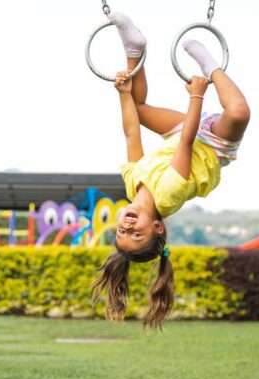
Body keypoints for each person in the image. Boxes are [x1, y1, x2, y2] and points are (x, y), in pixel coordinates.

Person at [92, 13, 250, 330]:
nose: (127, 225)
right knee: (239, 112)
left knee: (136, 107)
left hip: (180, 133)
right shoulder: (168, 196)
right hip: (211, 145)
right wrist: (197, 94)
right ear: (158, 228)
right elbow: (187, 145)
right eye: (136, 233)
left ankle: (133, 47)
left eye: (122, 231)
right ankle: (211, 66)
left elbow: (131, 133)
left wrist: (123, 94)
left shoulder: (132, 185)